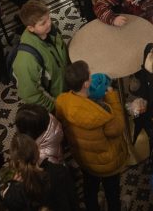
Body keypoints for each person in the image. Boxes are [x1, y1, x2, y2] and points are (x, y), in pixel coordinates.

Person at [54, 60, 127, 211]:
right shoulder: (102, 112)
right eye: (90, 75)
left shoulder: (62, 101)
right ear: (86, 84)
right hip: (106, 162)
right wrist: (112, 98)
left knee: (90, 187)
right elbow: (118, 128)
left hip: (83, 158)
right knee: (112, 191)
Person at [13, 0, 68, 110]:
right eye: (43, 23)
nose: (49, 23)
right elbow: (31, 95)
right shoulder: (26, 61)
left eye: (48, 18)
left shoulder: (51, 30)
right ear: (30, 28)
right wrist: (56, 107)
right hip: (56, 102)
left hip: (67, 91)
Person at [2, 133, 77, 211]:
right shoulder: (59, 171)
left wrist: (13, 185)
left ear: (15, 161)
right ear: (37, 152)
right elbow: (72, 199)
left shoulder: (10, 196)